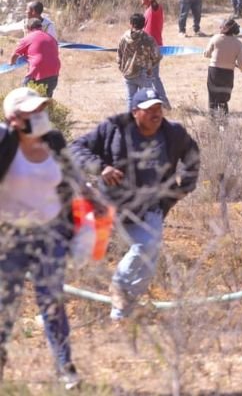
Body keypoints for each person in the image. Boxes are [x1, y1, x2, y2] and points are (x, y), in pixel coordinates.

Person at [70, 87, 200, 321]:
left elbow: (193, 156)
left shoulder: (173, 133)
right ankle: (59, 306)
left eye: (158, 108)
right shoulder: (113, 129)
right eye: (149, 110)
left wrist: (183, 188)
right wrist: (101, 168)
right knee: (78, 255)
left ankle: (121, 309)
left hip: (150, 207)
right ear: (134, 112)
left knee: (147, 254)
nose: (156, 114)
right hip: (110, 204)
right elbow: (75, 148)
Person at [0, 88, 94, 389]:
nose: (40, 116)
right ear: (14, 118)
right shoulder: (3, 142)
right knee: (5, 305)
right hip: (10, 237)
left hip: (50, 233)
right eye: (32, 112)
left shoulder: (54, 140)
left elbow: (71, 177)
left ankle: (65, 368)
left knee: (52, 301)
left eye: (41, 109)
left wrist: (89, 197)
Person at [203, 17, 242, 115]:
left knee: (212, 99)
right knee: (223, 100)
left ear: (227, 28)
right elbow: (241, 65)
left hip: (214, 72)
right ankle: (224, 121)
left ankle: (212, 121)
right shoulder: (239, 44)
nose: (219, 27)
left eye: (221, 26)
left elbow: (207, 54)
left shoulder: (215, 38)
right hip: (228, 74)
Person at [118, 13, 162, 110]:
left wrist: (122, 68)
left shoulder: (124, 38)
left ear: (131, 23)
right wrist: (150, 67)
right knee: (147, 100)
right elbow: (156, 56)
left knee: (130, 99)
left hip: (128, 73)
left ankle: (130, 118)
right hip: (144, 73)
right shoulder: (148, 39)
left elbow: (119, 55)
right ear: (144, 24)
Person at [11, 18, 61, 97]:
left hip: (38, 71)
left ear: (28, 28)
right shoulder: (51, 38)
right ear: (41, 27)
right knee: (45, 99)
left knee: (25, 97)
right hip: (54, 71)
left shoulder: (27, 38)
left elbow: (14, 56)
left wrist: (11, 64)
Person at [140, 0, 171, 109]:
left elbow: (156, 7)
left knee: (153, 77)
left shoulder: (154, 9)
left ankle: (164, 104)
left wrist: (153, 1)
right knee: (149, 77)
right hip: (147, 49)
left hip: (153, 50)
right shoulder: (147, 11)